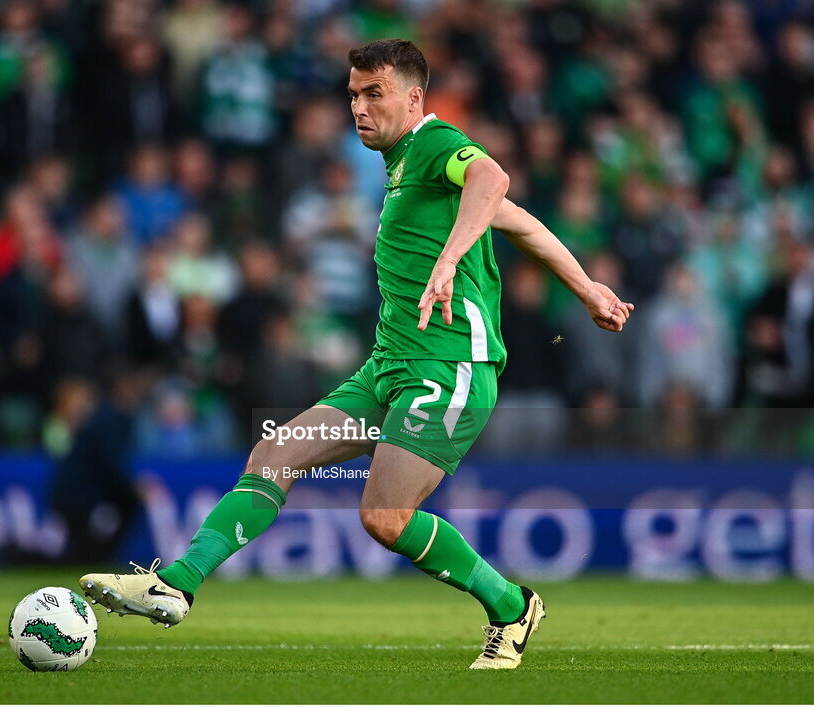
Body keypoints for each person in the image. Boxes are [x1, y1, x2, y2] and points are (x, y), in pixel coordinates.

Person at [80, 39, 633, 671]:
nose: (359, 108)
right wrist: (588, 289)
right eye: (353, 94)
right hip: (389, 368)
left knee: (385, 515)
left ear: (413, 97)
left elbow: (494, 177)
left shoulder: (433, 144)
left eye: (374, 93)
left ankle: (511, 606)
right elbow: (523, 222)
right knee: (275, 452)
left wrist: (449, 263)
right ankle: (174, 584)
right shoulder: (404, 167)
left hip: (449, 369)